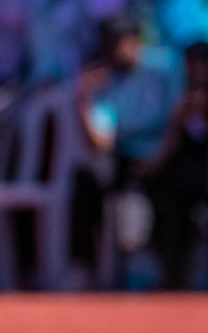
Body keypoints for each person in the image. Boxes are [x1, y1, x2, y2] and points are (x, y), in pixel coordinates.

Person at [72, 17, 179, 280]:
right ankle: (88, 271)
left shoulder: (164, 68)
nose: (118, 49)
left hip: (163, 150)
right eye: (111, 44)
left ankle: (172, 275)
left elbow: (178, 121)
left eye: (123, 41)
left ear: (137, 41)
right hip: (124, 152)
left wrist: (157, 158)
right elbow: (101, 141)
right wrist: (83, 100)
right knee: (87, 179)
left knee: (176, 186)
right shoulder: (104, 81)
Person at [131, 43, 208, 289]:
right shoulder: (180, 94)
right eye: (193, 63)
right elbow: (171, 143)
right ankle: (173, 274)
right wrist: (182, 114)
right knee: (165, 194)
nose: (198, 70)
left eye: (203, 64)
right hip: (187, 173)